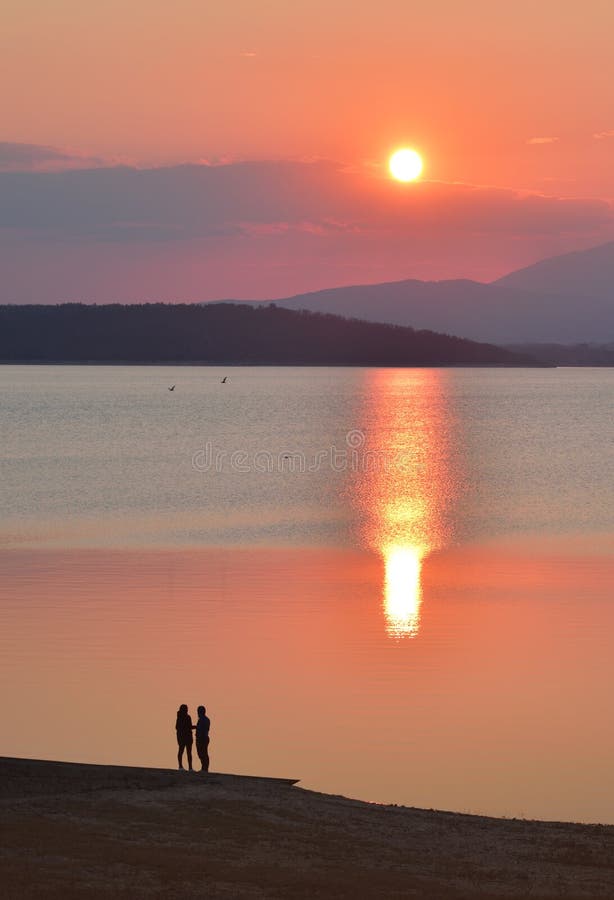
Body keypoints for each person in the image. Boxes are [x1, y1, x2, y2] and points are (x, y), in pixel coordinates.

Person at [175, 704, 195, 771]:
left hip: (187, 737)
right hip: (183, 737)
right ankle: (181, 766)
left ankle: (190, 767)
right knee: (182, 751)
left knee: (187, 752)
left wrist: (195, 727)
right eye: (186, 709)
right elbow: (177, 727)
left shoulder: (187, 717)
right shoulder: (180, 717)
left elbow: (189, 727)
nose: (187, 710)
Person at [195, 705, 211, 772]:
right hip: (203, 738)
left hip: (202, 738)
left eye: (198, 712)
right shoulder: (205, 719)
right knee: (202, 753)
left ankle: (205, 768)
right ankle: (204, 767)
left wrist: (200, 737)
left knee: (202, 753)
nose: (197, 713)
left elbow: (204, 729)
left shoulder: (203, 719)